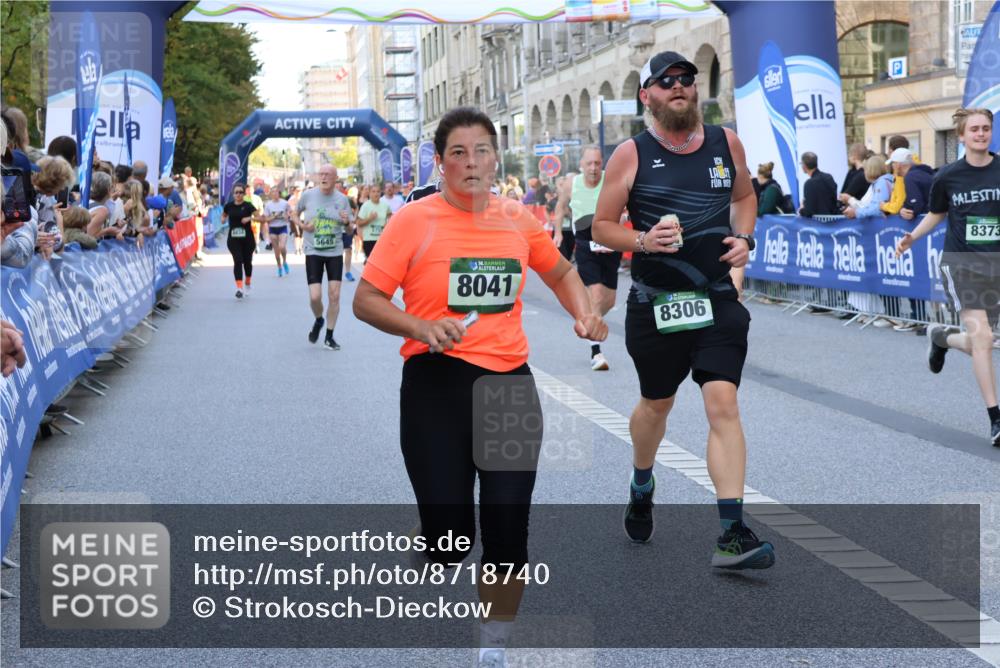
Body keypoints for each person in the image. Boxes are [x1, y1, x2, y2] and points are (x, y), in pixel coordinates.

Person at [353, 107, 606, 668]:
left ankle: (494, 646)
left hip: (508, 385)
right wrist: (420, 326)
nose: (472, 163)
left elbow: (561, 272)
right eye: (458, 153)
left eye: (482, 151)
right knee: (452, 542)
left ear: (496, 157)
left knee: (508, 527)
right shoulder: (412, 221)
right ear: (441, 163)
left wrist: (584, 313)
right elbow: (365, 299)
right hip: (434, 381)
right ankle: (438, 527)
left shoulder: (517, 218)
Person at [591, 50, 774, 569]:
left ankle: (731, 533)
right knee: (657, 406)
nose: (679, 87)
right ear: (647, 95)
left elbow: (744, 198)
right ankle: (642, 480)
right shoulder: (631, 154)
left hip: (716, 298)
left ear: (696, 90)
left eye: (687, 79)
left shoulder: (725, 141)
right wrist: (644, 240)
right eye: (666, 81)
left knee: (723, 404)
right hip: (657, 304)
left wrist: (743, 239)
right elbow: (602, 227)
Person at [896, 108, 1000, 447]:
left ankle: (942, 339)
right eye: (974, 129)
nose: (981, 134)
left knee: (984, 341)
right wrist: (913, 236)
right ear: (962, 135)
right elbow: (937, 214)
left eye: (986, 128)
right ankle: (996, 419)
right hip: (960, 263)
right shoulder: (948, 176)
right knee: (983, 336)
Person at [554, 147, 619, 370]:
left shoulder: (611, 182)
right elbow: (560, 207)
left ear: (602, 164)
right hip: (585, 243)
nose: (593, 168)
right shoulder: (572, 184)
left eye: (597, 164)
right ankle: (596, 351)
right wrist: (558, 233)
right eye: (589, 163)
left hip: (611, 243)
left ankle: (588, 321)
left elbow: (626, 205)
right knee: (597, 293)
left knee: (609, 300)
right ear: (581, 164)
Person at [293, 164, 354, 350]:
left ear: (336, 178)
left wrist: (346, 222)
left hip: (334, 251)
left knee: (334, 296)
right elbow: (294, 214)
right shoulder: (308, 195)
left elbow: (350, 229)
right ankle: (319, 319)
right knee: (315, 297)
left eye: (328, 174)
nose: (324, 177)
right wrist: (303, 226)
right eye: (321, 174)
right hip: (313, 251)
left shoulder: (343, 200)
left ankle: (329, 336)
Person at [222, 183, 257, 299]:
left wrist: (249, 218)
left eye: (240, 192)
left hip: (248, 239)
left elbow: (259, 217)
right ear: (233, 194)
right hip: (233, 239)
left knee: (247, 262)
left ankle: (247, 282)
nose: (238, 194)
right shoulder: (229, 206)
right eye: (236, 192)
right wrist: (223, 219)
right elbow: (223, 216)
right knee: (238, 260)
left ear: (244, 193)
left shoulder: (248, 206)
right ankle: (239, 288)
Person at [798, 151, 839, 217]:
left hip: (818, 225)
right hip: (834, 222)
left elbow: (808, 212)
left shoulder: (809, 184)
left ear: (804, 166)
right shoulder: (829, 177)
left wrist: (801, 209)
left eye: (801, 164)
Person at [356, 182, 390, 261]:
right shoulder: (365, 206)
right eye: (373, 191)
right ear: (370, 193)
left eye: (378, 191)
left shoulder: (385, 205)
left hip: (382, 239)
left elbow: (390, 217)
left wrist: (387, 224)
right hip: (369, 239)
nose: (376, 194)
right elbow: (359, 223)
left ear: (381, 193)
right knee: (372, 263)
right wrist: (370, 219)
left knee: (382, 262)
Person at [263, 186, 291, 277]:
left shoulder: (285, 203)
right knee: (276, 250)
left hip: (282, 227)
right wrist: (274, 216)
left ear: (279, 193)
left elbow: (290, 214)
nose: (275, 194)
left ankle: (285, 262)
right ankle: (279, 267)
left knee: (282, 246)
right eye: (273, 192)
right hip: (273, 228)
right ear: (271, 194)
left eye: (276, 192)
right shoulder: (268, 205)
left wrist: (286, 216)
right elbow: (266, 219)